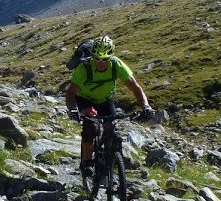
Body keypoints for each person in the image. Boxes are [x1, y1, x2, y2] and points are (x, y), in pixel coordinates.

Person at [65, 35, 154, 174]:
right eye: (97, 58)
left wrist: (146, 106)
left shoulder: (116, 65)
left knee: (112, 129)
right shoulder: (84, 67)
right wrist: (73, 109)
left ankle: (109, 164)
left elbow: (136, 88)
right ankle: (87, 162)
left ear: (111, 57)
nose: (100, 62)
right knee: (91, 126)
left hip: (106, 99)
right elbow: (71, 93)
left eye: (105, 59)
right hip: (84, 98)